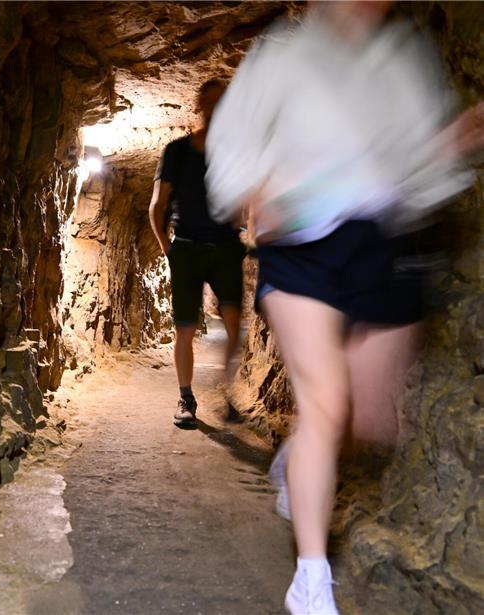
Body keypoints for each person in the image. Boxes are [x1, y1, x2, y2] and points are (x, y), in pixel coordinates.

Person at [205, 2, 484, 614]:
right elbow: (231, 148)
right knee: (327, 406)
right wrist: (253, 190)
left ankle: (301, 454)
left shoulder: (404, 59)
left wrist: (453, 144)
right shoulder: (282, 56)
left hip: (379, 245)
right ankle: (311, 580)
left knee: (367, 422)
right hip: (303, 246)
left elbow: (414, 171)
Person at [148, 79, 246, 428]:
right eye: (213, 102)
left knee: (235, 324)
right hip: (187, 248)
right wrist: (167, 248)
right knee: (185, 329)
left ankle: (227, 390)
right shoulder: (177, 151)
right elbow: (158, 204)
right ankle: (186, 398)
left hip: (225, 247)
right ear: (200, 106)